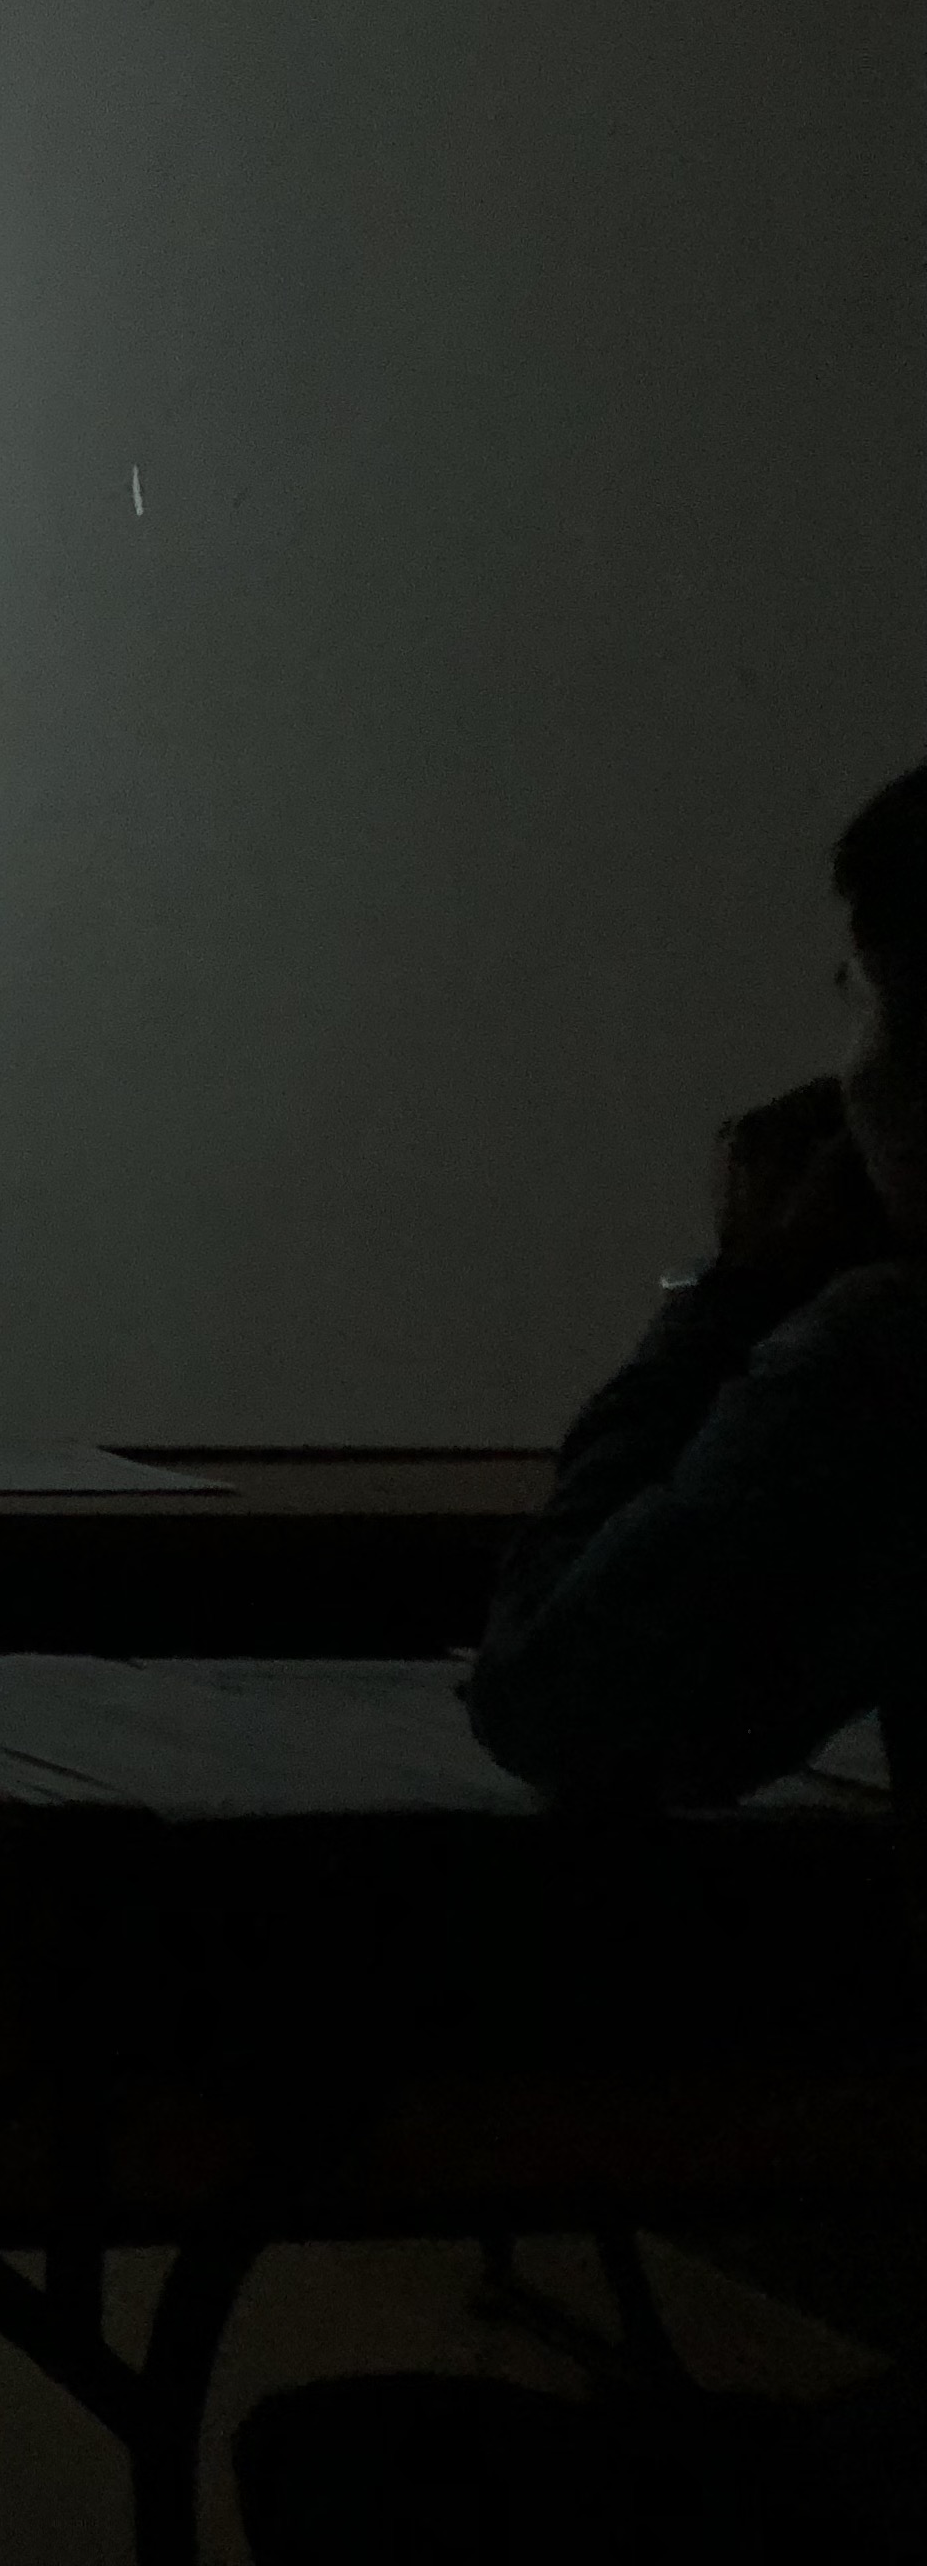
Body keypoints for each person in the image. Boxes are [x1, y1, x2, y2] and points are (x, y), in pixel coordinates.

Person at [231, 758, 927, 2564]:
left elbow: (564, 1699)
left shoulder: (890, 1359)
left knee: (342, 2463)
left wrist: (731, 1297)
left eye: (856, 990)